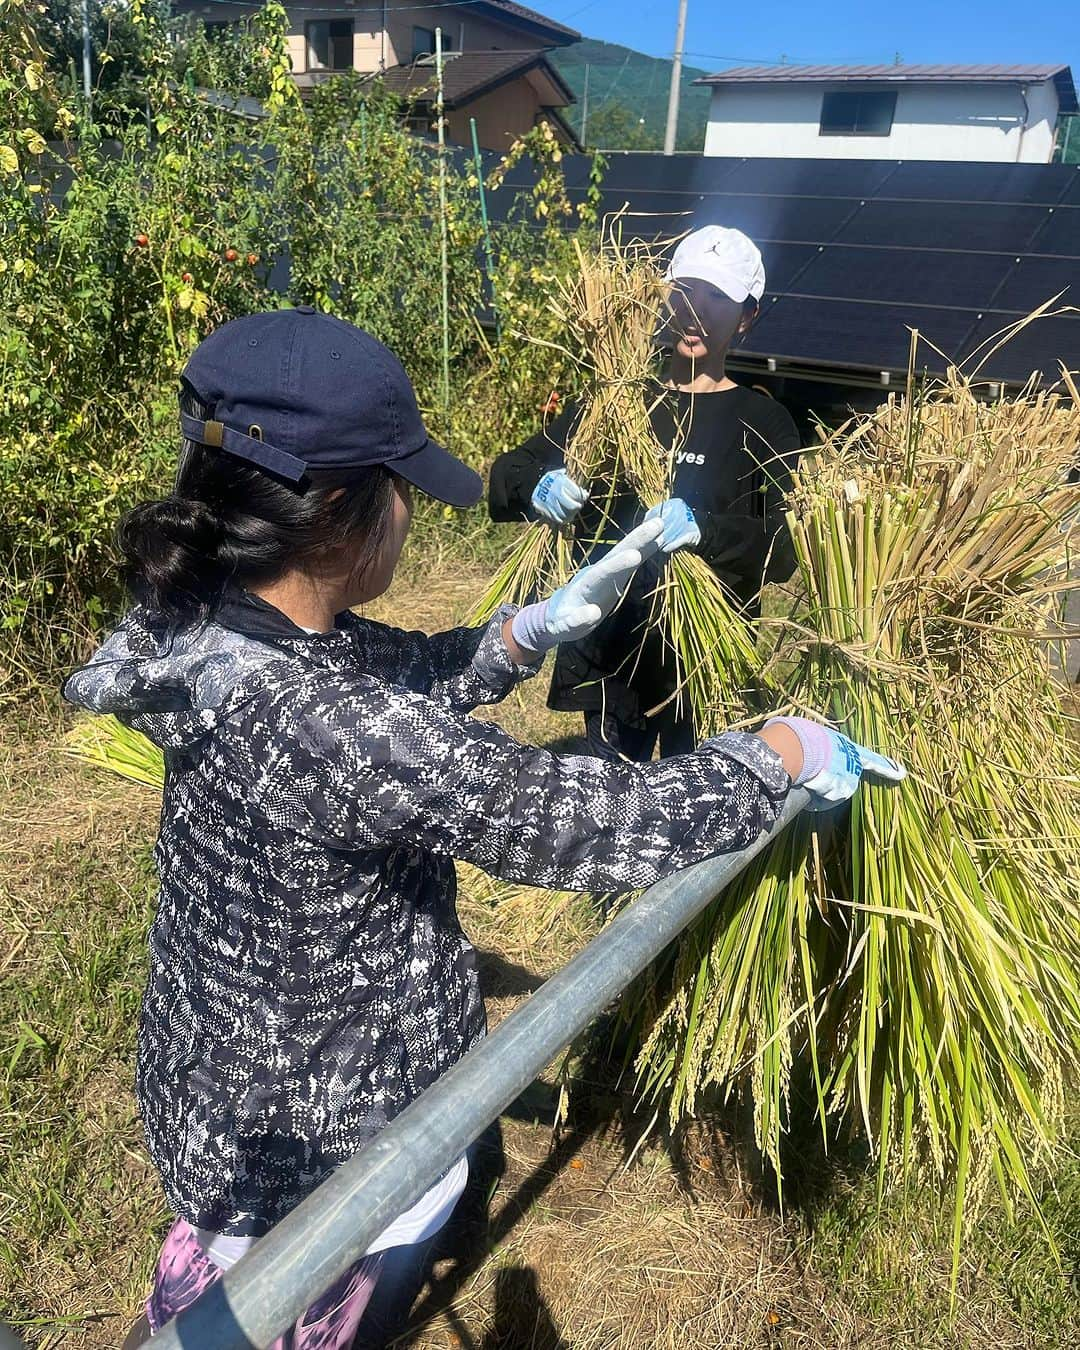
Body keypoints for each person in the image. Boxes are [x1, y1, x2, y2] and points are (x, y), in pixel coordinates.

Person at [63, 308, 902, 1346]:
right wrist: (776, 754)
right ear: (336, 514)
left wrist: (528, 630)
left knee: (241, 1277)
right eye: (401, 487)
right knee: (310, 1304)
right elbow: (587, 824)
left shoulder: (204, 622)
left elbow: (380, 676)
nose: (412, 511)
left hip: (226, 1080)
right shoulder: (323, 726)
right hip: (333, 1136)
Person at [489, 225, 802, 763]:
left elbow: (781, 547)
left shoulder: (763, 422)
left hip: (703, 661)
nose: (696, 311)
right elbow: (505, 472)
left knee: (694, 822)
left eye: (718, 297)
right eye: (685, 292)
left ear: (747, 316)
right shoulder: (619, 401)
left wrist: (704, 528)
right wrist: (535, 489)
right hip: (610, 646)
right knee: (607, 817)